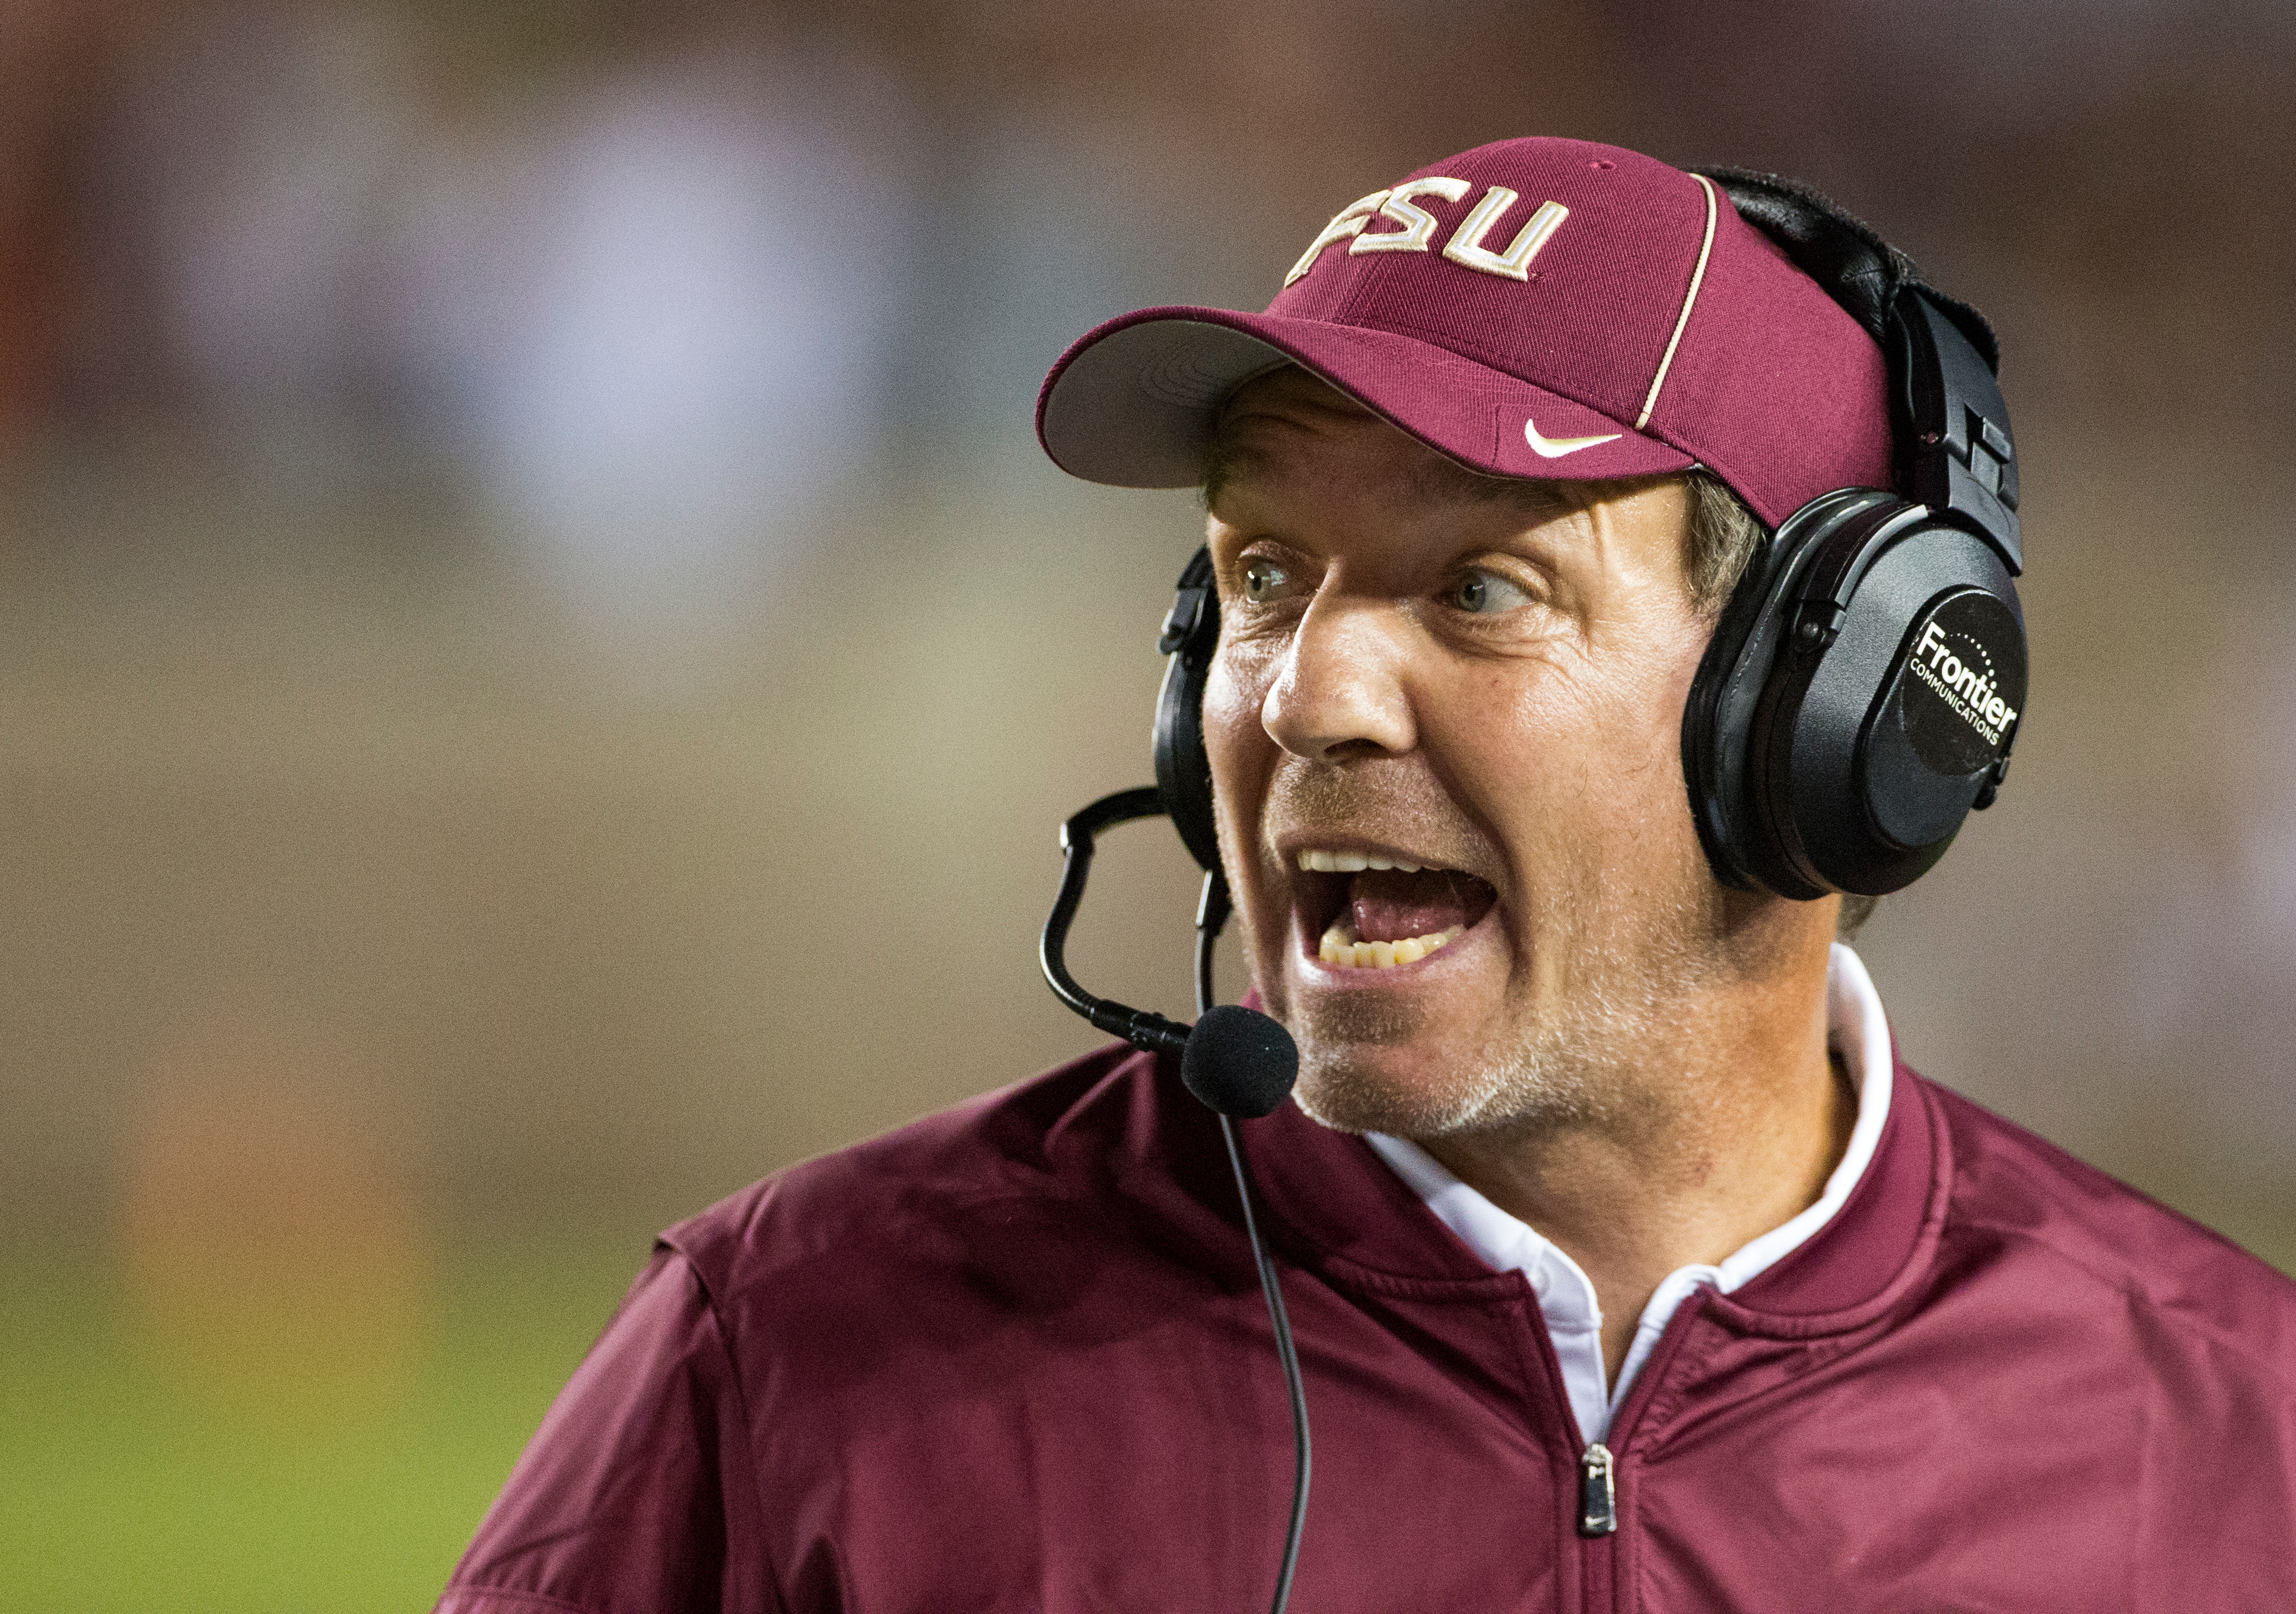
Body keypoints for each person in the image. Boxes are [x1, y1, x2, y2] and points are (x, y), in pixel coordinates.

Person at [437, 137, 2296, 1612]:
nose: (1308, 690)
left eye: (1480, 586)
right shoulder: (786, 1363)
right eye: (1260, 578)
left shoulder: (2239, 1444)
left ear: (1828, 714)